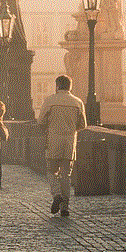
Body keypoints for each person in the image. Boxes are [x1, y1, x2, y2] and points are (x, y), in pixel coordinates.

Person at [38, 75, 87, 217]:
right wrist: (72, 129)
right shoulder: (78, 102)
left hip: (53, 141)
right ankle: (65, 207)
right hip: (70, 143)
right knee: (66, 175)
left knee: (51, 171)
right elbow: (83, 124)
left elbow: (41, 121)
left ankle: (56, 194)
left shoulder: (50, 101)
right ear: (70, 86)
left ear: (57, 86)